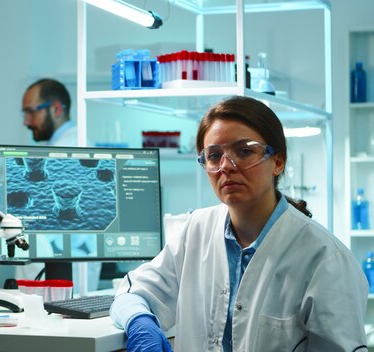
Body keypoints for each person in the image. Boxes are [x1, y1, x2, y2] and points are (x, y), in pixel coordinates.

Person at [110, 95, 368, 352]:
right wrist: (139, 322)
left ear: (277, 161)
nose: (226, 166)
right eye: (214, 155)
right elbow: (132, 293)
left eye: (244, 151)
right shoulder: (196, 230)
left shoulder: (326, 258)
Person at [19, 78, 101, 293]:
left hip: (65, 269)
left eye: (31, 112)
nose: (26, 121)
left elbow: (40, 213)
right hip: (60, 266)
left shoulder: (70, 148)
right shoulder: (63, 145)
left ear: (55, 108)